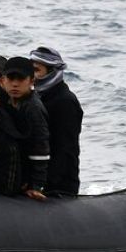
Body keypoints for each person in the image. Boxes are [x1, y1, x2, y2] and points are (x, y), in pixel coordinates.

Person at [30, 46, 83, 196]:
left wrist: (45, 186)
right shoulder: (37, 97)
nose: (31, 76)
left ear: (52, 72)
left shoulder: (65, 102)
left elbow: (64, 150)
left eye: (36, 70)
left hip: (58, 185)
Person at [0, 56, 50, 200]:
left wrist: (36, 185)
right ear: (3, 81)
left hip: (28, 171)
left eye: (20, 79)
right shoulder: (5, 101)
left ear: (32, 81)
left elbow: (41, 148)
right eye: (10, 78)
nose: (15, 84)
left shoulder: (33, 108)